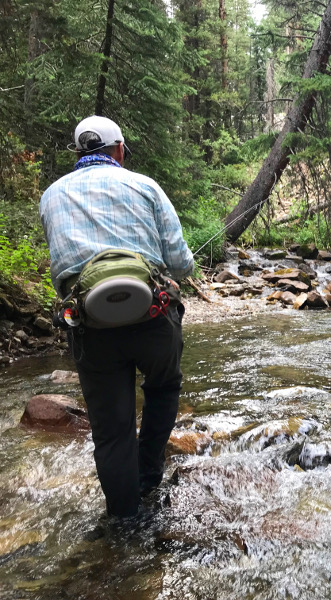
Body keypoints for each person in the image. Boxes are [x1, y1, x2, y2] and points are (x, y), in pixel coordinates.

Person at [40, 115, 194, 518]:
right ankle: (148, 475)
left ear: (78, 153)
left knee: (111, 432)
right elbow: (181, 263)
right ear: (120, 150)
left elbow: (60, 272)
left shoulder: (51, 196)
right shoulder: (145, 186)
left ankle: (124, 520)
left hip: (92, 329)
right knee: (163, 387)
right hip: (153, 318)